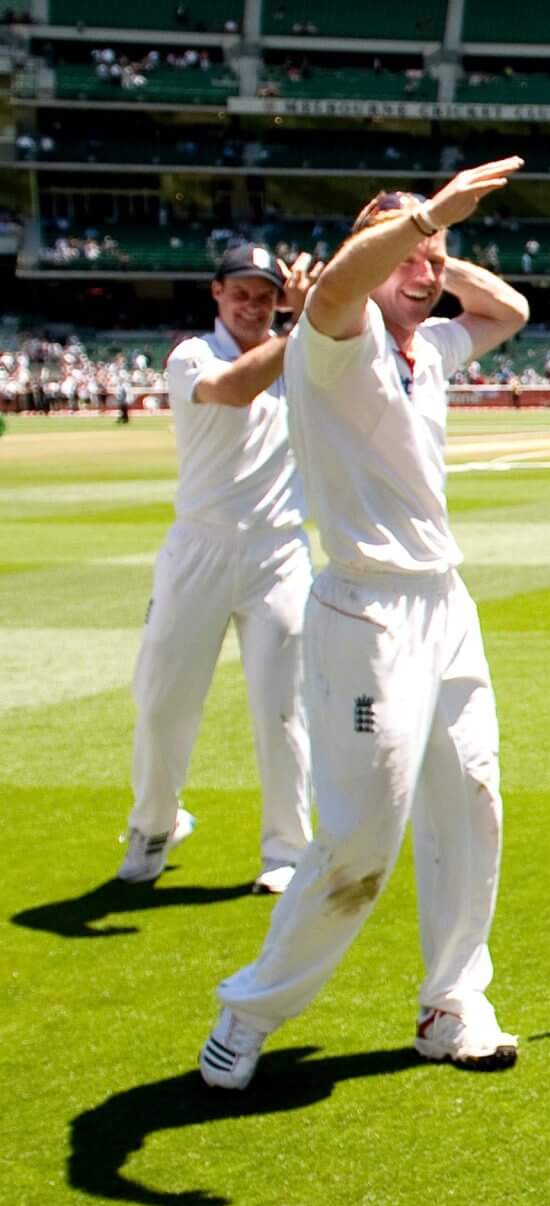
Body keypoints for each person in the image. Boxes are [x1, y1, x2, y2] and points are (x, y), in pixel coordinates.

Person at [197, 160, 533, 1091]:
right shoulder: (335, 339)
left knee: (473, 800)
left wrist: (433, 250)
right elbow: (341, 285)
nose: (428, 271)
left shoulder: (427, 350)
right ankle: (250, 1007)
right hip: (364, 608)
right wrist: (421, 217)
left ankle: (452, 1003)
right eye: (411, 259)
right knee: (358, 839)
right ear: (365, 253)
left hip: (444, 602)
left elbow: (509, 314)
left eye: (439, 261)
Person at [121, 241, 317, 893]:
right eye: (241, 292)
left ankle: (287, 850)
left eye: (265, 293)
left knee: (283, 707)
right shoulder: (193, 356)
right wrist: (299, 325)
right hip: (199, 548)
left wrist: (315, 314)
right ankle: (153, 824)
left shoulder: (302, 351)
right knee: (162, 701)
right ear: (216, 293)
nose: (253, 304)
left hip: (279, 551)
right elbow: (235, 389)